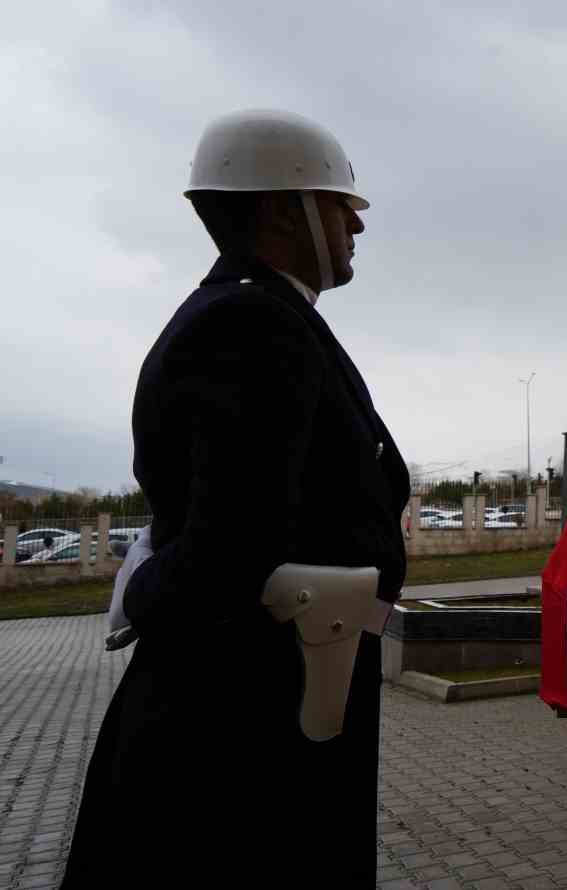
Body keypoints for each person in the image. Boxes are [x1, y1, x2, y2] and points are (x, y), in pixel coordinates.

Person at [62, 110, 410, 887]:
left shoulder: (269, 315)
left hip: (277, 690)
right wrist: (141, 590)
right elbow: (232, 543)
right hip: (246, 720)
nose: (357, 223)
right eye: (340, 204)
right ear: (283, 211)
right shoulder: (251, 324)